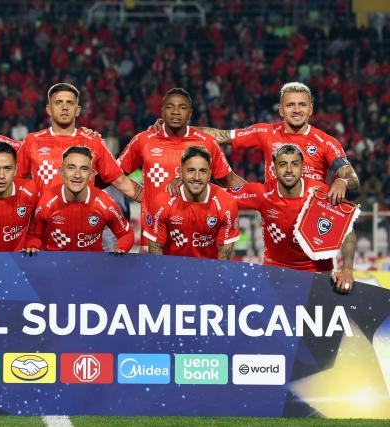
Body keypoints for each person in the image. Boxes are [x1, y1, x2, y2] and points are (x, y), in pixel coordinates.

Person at [197, 82, 359, 205]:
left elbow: (352, 178)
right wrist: (183, 132)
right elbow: (220, 135)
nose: (296, 110)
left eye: (302, 105)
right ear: (281, 110)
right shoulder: (265, 133)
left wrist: (341, 181)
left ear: (310, 109)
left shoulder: (327, 142)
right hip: (276, 216)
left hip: (311, 221)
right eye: (290, 105)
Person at [118, 87, 244, 246]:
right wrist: (140, 194)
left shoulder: (206, 142)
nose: (176, 112)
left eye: (182, 107)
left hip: (198, 237)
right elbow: (115, 175)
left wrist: (263, 198)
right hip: (153, 236)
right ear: (162, 111)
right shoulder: (143, 140)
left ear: (190, 113)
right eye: (170, 107)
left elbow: (229, 180)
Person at [229, 144, 356, 294]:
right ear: (274, 169)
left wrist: (347, 269)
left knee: (317, 317)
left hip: (318, 272)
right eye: (283, 164)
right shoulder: (262, 193)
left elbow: (347, 232)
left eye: (294, 164)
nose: (289, 170)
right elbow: (220, 198)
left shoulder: (321, 194)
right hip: (275, 271)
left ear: (302, 167)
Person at [17, 83, 143, 203]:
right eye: (58, 102)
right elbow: (14, 184)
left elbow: (121, 182)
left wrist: (156, 202)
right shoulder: (31, 141)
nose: (64, 107)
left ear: (77, 110)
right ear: (49, 109)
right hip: (43, 222)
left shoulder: (93, 141)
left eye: (70, 103)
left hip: (84, 222)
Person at [25, 146, 134, 253]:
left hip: (92, 268)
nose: (77, 175)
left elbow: (126, 234)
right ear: (61, 172)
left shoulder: (104, 202)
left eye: (84, 169)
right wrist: (33, 246)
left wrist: (121, 249)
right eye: (71, 168)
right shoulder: (47, 200)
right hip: (57, 268)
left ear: (91, 175)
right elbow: (34, 235)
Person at [145, 146, 240, 260]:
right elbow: (155, 252)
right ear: (180, 173)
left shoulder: (227, 204)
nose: (197, 177)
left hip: (208, 272)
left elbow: (224, 258)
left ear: (210, 174)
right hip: (171, 272)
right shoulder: (161, 202)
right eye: (191, 170)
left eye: (202, 171)